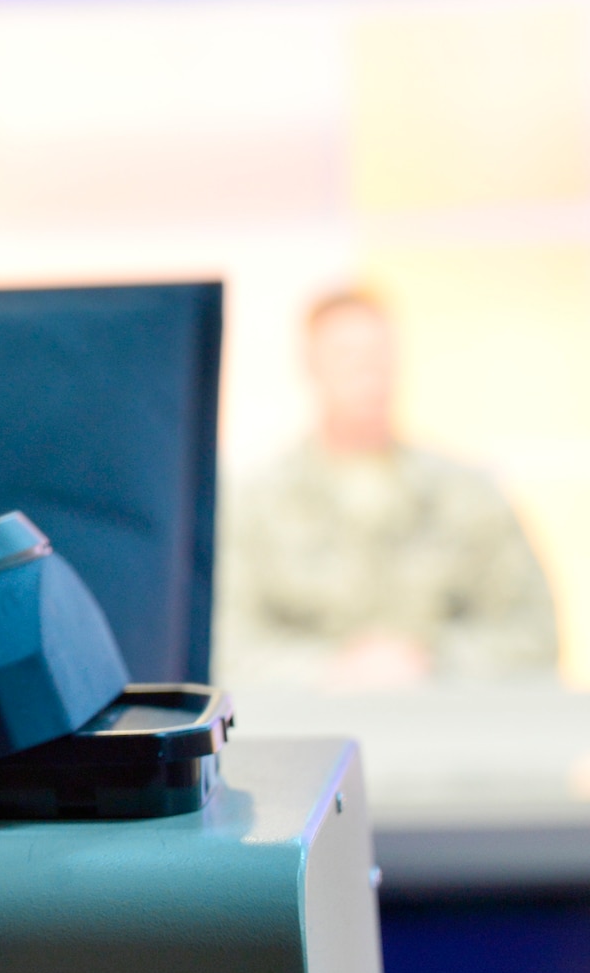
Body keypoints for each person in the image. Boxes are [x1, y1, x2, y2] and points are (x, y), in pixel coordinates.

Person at [216, 290, 557, 688]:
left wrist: (430, 659)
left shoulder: (469, 494)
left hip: (448, 725)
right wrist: (333, 670)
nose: (369, 373)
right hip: (309, 726)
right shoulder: (254, 503)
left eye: (381, 356)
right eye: (347, 356)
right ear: (310, 365)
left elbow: (534, 633)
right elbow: (227, 648)